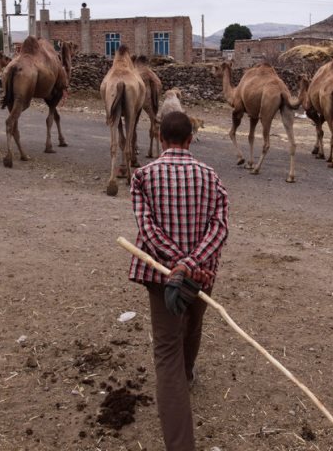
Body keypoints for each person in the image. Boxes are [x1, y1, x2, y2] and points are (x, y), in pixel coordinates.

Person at [128, 111, 229, 450]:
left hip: (161, 274)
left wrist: (176, 263)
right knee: (194, 324)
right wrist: (193, 262)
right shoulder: (211, 176)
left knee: (166, 349)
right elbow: (220, 227)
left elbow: (147, 229)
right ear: (190, 139)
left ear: (160, 139)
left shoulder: (143, 176)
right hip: (202, 274)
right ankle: (187, 374)